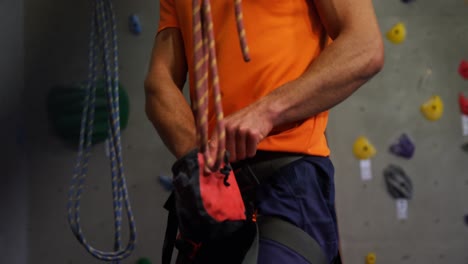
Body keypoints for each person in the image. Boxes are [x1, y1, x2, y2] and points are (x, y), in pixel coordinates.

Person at [144, 0, 384, 263]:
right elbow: (159, 81)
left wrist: (266, 111)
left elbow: (364, 46)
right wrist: (201, 160)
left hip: (285, 177)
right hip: (214, 183)